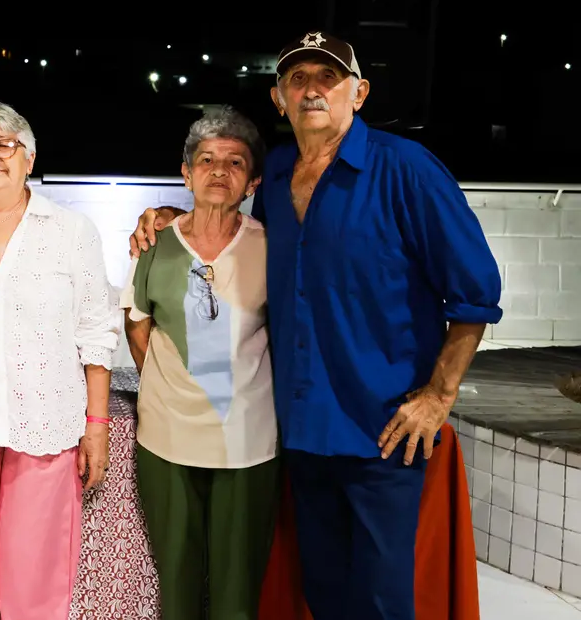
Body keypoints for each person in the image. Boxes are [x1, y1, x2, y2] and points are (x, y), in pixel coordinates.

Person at [129, 32, 502, 620]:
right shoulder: (277, 174)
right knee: (322, 595)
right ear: (278, 99)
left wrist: (439, 394)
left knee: (382, 601)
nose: (312, 90)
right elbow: (232, 231)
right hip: (300, 433)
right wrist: (175, 215)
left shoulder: (407, 170)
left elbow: (476, 294)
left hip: (381, 433)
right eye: (297, 79)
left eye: (328, 77)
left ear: (360, 92)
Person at [0, 102, 119, 620]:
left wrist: (97, 424)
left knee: (33, 584)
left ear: (29, 157)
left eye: (5, 145)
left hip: (45, 425)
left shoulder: (70, 230)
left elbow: (96, 332)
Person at [123, 107, 277, 620]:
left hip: (248, 441)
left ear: (253, 182)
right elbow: (138, 326)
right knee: (177, 584)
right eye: (206, 159)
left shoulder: (270, 248)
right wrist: (168, 389)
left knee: (237, 592)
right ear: (186, 173)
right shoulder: (154, 243)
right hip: (166, 439)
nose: (218, 171)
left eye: (235, 162)